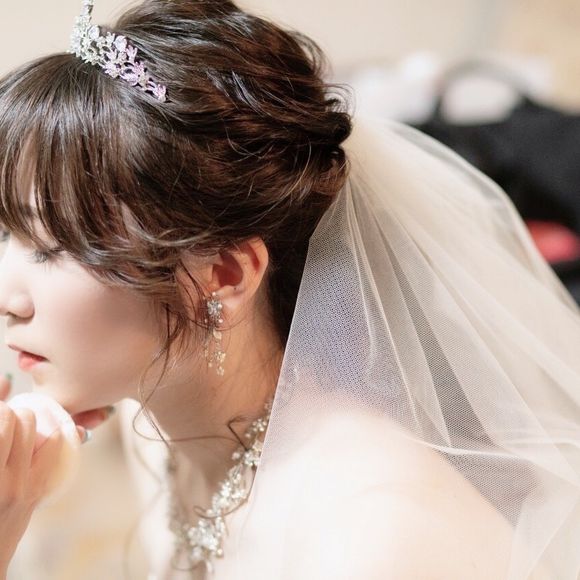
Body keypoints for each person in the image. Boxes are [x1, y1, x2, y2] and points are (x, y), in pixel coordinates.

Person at [0, 0, 579, 579]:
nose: (6, 296)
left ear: (225, 276)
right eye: (6, 233)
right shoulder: (157, 427)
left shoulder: (374, 535)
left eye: (52, 247)